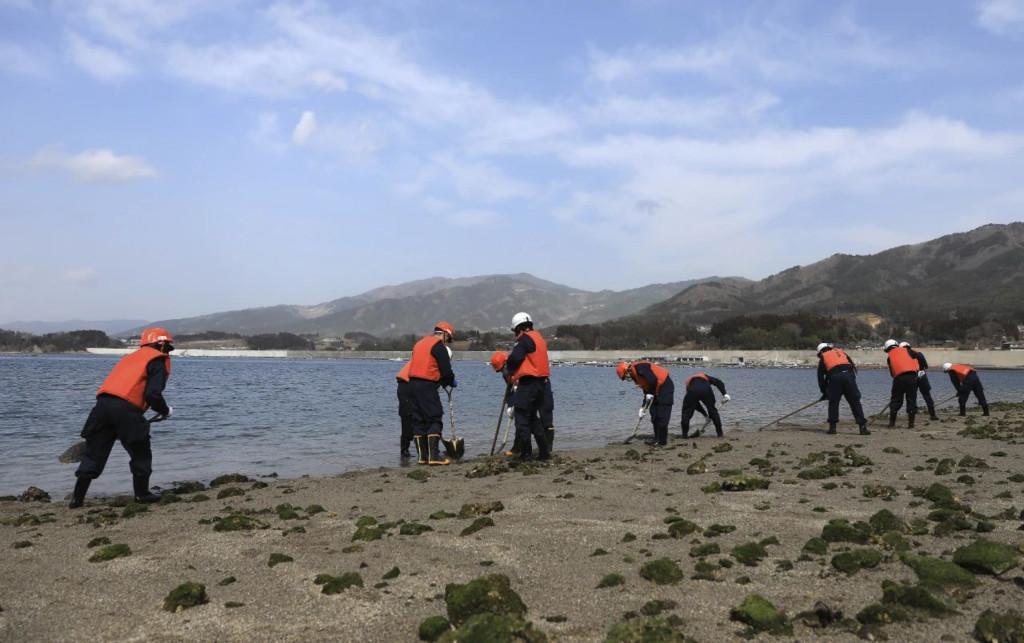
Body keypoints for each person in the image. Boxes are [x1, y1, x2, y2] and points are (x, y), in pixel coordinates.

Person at [70, 327, 175, 508]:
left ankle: (76, 500)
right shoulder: (157, 361)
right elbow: (152, 395)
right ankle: (142, 495)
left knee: (93, 455)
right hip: (127, 411)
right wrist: (165, 411)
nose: (169, 352)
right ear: (161, 344)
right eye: (169, 347)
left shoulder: (129, 359)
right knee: (140, 452)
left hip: (101, 407)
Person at [404, 321, 457, 465]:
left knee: (418, 420)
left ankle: (422, 457)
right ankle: (434, 456)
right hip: (427, 385)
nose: (448, 342)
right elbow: (446, 371)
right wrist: (450, 381)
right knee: (434, 417)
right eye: (449, 338)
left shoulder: (419, 344)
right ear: (445, 334)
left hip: (411, 385)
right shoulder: (439, 346)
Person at [504, 312, 552, 460]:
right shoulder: (539, 338)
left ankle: (526, 453)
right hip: (542, 384)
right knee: (533, 418)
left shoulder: (524, 339)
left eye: (515, 332)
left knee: (522, 418)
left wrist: (509, 368)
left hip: (529, 383)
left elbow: (515, 359)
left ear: (518, 328)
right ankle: (544, 452)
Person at [616, 360, 674, 446]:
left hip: (665, 386)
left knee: (662, 415)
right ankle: (656, 439)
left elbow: (653, 380)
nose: (627, 378)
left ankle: (662, 441)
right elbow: (646, 390)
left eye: (625, 375)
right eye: (624, 377)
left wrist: (650, 393)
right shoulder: (636, 377)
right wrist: (643, 408)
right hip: (654, 389)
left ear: (628, 370)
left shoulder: (641, 367)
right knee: (654, 415)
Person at [816, 342, 869, 435]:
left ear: (820, 352)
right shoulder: (841, 352)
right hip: (849, 376)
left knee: (833, 403)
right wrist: (851, 380)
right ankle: (862, 427)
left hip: (835, 378)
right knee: (855, 402)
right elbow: (852, 367)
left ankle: (833, 428)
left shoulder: (823, 357)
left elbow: (821, 378)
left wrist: (825, 392)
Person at [883, 339, 919, 429]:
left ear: (888, 349)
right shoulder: (908, 350)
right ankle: (911, 424)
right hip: (912, 377)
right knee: (911, 400)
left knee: (896, 400)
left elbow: (892, 373)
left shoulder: (889, 357)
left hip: (899, 378)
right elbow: (918, 357)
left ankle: (892, 424)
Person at [681, 372, 729, 438]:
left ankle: (684, 435)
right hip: (706, 390)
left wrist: (705, 415)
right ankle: (720, 434)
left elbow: (695, 405)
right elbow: (719, 382)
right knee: (713, 411)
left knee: (686, 413)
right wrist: (725, 394)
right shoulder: (706, 377)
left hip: (692, 391)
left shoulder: (689, 384)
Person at [900, 341, 938, 420]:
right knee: (927, 395)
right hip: (922, 375)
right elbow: (925, 366)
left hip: (910, 377)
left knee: (911, 396)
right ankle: (933, 415)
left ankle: (912, 415)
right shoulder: (918, 354)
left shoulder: (902, 356)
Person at [395, 362, 414, 458]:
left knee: (412, 417)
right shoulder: (426, 359)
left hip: (408, 384)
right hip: (405, 385)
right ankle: (404, 451)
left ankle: (406, 449)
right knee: (407, 416)